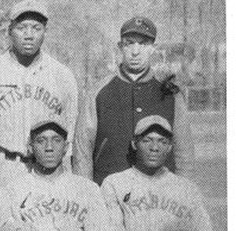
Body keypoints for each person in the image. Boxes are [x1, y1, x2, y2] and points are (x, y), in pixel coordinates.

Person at [101, 116, 217, 231]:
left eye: (162, 141)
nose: (154, 148)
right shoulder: (115, 183)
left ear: (170, 147)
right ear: (134, 144)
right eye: (147, 140)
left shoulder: (186, 188)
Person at [0, 0, 78, 187]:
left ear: (45, 32)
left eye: (36, 28)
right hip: (2, 167)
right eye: (22, 28)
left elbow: (70, 133)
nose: (29, 35)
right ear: (9, 30)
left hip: (47, 170)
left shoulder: (63, 76)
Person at [74, 16, 194, 185]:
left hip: (159, 195)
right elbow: (82, 151)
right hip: (108, 192)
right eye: (129, 43)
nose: (135, 51)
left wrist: (182, 192)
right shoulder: (99, 92)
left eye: (143, 44)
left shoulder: (170, 94)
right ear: (120, 47)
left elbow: (184, 154)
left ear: (153, 48)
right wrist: (85, 193)